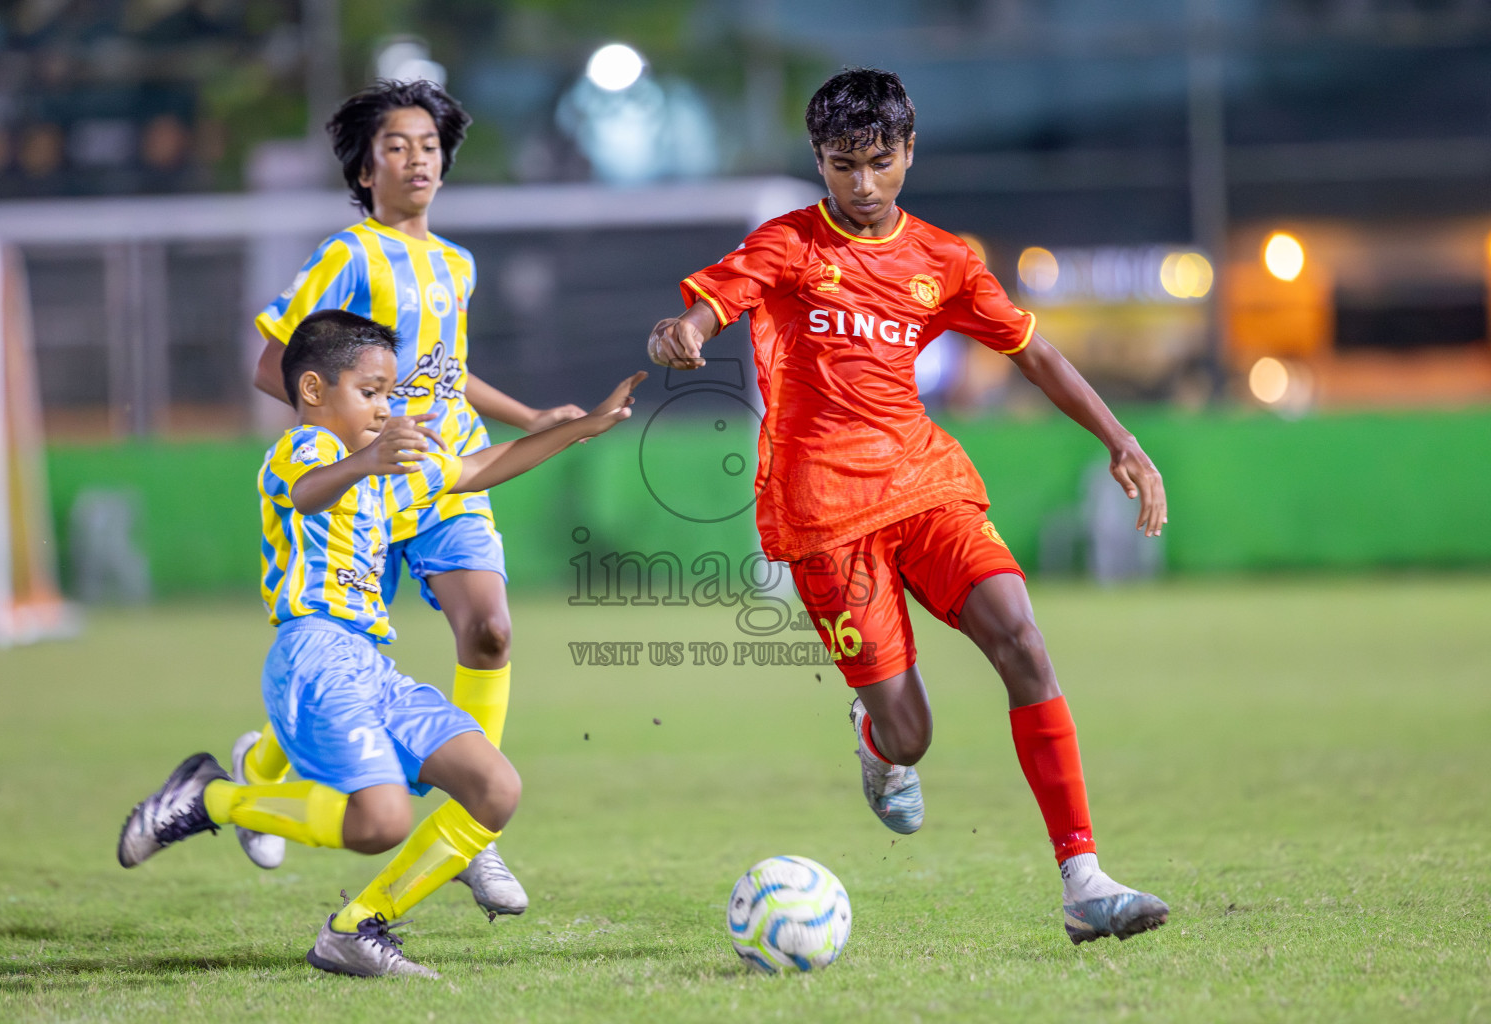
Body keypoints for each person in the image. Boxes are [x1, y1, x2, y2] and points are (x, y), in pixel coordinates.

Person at [645, 68, 1170, 945]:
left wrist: (1122, 440)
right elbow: (712, 306)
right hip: (821, 518)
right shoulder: (788, 245)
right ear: (819, 160)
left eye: (879, 162)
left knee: (1019, 633)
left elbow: (1035, 355)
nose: (861, 185)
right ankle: (881, 743)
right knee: (912, 732)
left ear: (909, 152)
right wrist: (684, 332)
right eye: (842, 165)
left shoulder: (947, 262)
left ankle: (1084, 879)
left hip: (924, 484)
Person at [118, 310, 644, 977]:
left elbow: (478, 468)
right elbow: (307, 495)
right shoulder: (306, 448)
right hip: (311, 658)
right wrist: (369, 458)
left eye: (390, 393)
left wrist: (582, 429)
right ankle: (209, 799)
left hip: (370, 666)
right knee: (380, 824)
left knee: (495, 789)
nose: (385, 406)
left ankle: (354, 928)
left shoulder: (386, 471)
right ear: (314, 392)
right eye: (370, 391)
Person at [236, 80, 583, 917]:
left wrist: (530, 416)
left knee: (491, 629)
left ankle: (476, 833)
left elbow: (445, 376)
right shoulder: (347, 254)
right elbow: (271, 366)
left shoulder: (456, 264)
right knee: (346, 646)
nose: (416, 157)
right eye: (396, 145)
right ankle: (260, 771)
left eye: (427, 144)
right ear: (364, 168)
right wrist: (355, 454)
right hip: (372, 485)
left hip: (448, 474)